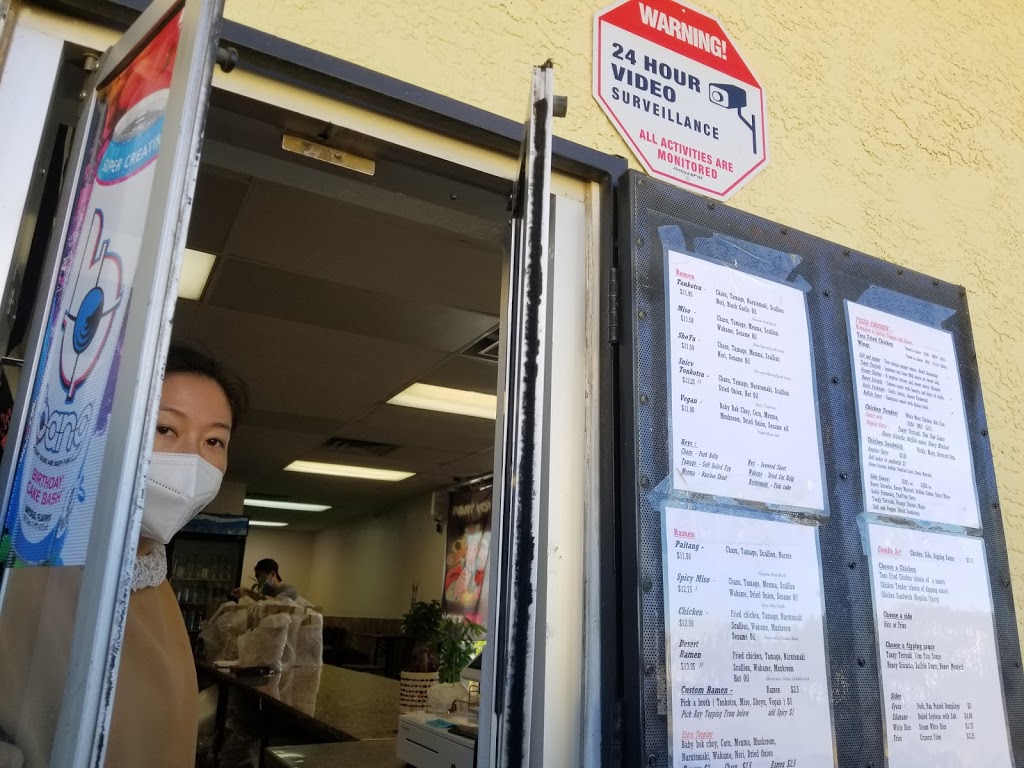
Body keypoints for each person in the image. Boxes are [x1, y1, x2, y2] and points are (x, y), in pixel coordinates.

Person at [102, 343, 247, 767]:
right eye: (165, 429)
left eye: (215, 440)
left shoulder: (154, 584)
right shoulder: (35, 569)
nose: (193, 460)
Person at [232, 558, 299, 601]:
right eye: (257, 578)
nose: (258, 581)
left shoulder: (290, 590)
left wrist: (248, 591)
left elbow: (275, 603)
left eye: (261, 577)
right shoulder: (266, 591)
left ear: (272, 574)